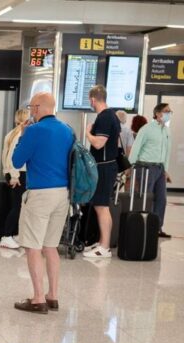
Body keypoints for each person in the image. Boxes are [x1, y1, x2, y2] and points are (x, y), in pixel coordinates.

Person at [11, 92, 72, 314]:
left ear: (37, 108)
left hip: (40, 194)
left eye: (31, 108)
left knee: (33, 247)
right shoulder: (67, 130)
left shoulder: (34, 131)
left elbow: (17, 161)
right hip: (63, 194)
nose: (30, 111)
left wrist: (23, 135)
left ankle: (37, 298)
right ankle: (53, 295)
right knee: (51, 246)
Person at [83, 85, 120, 259]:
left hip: (104, 167)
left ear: (92, 99)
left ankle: (105, 246)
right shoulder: (109, 115)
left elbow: (98, 143)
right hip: (104, 166)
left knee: (102, 206)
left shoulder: (105, 117)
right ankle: (102, 241)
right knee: (101, 206)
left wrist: (87, 132)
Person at [128, 103, 173, 239]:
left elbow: (167, 152)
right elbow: (136, 148)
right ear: (158, 113)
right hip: (146, 167)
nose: (169, 113)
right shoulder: (146, 129)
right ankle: (143, 226)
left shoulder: (166, 131)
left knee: (161, 199)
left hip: (159, 169)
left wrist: (166, 170)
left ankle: (156, 227)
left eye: (170, 111)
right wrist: (131, 166)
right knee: (146, 198)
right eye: (166, 111)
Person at [0, 108, 30, 249]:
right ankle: (7, 236)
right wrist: (14, 175)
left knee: (17, 205)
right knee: (17, 206)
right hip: (18, 174)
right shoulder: (19, 134)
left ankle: (13, 234)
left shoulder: (11, 134)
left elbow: (4, 156)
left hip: (13, 173)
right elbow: (14, 156)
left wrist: (7, 172)